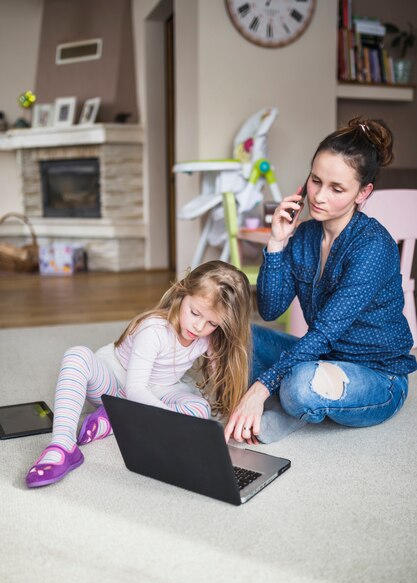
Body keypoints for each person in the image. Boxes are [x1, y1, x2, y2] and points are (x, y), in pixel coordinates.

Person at [225, 116, 417, 445]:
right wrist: (276, 244)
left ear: (363, 192)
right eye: (315, 180)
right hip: (322, 359)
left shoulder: (372, 246)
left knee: (298, 385)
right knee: (237, 335)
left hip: (376, 374)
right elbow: (270, 310)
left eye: (336, 188)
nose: (319, 196)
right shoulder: (304, 236)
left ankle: (287, 410)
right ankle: (280, 395)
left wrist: (261, 388)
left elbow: (326, 332)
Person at [26, 260, 252, 488]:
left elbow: (220, 374)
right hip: (116, 384)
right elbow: (135, 388)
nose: (199, 327)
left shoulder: (208, 336)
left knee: (201, 409)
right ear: (183, 293)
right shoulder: (154, 330)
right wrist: (167, 420)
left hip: (161, 389)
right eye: (194, 313)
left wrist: (237, 418)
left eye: (212, 323)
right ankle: (63, 445)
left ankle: (115, 419)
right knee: (76, 356)